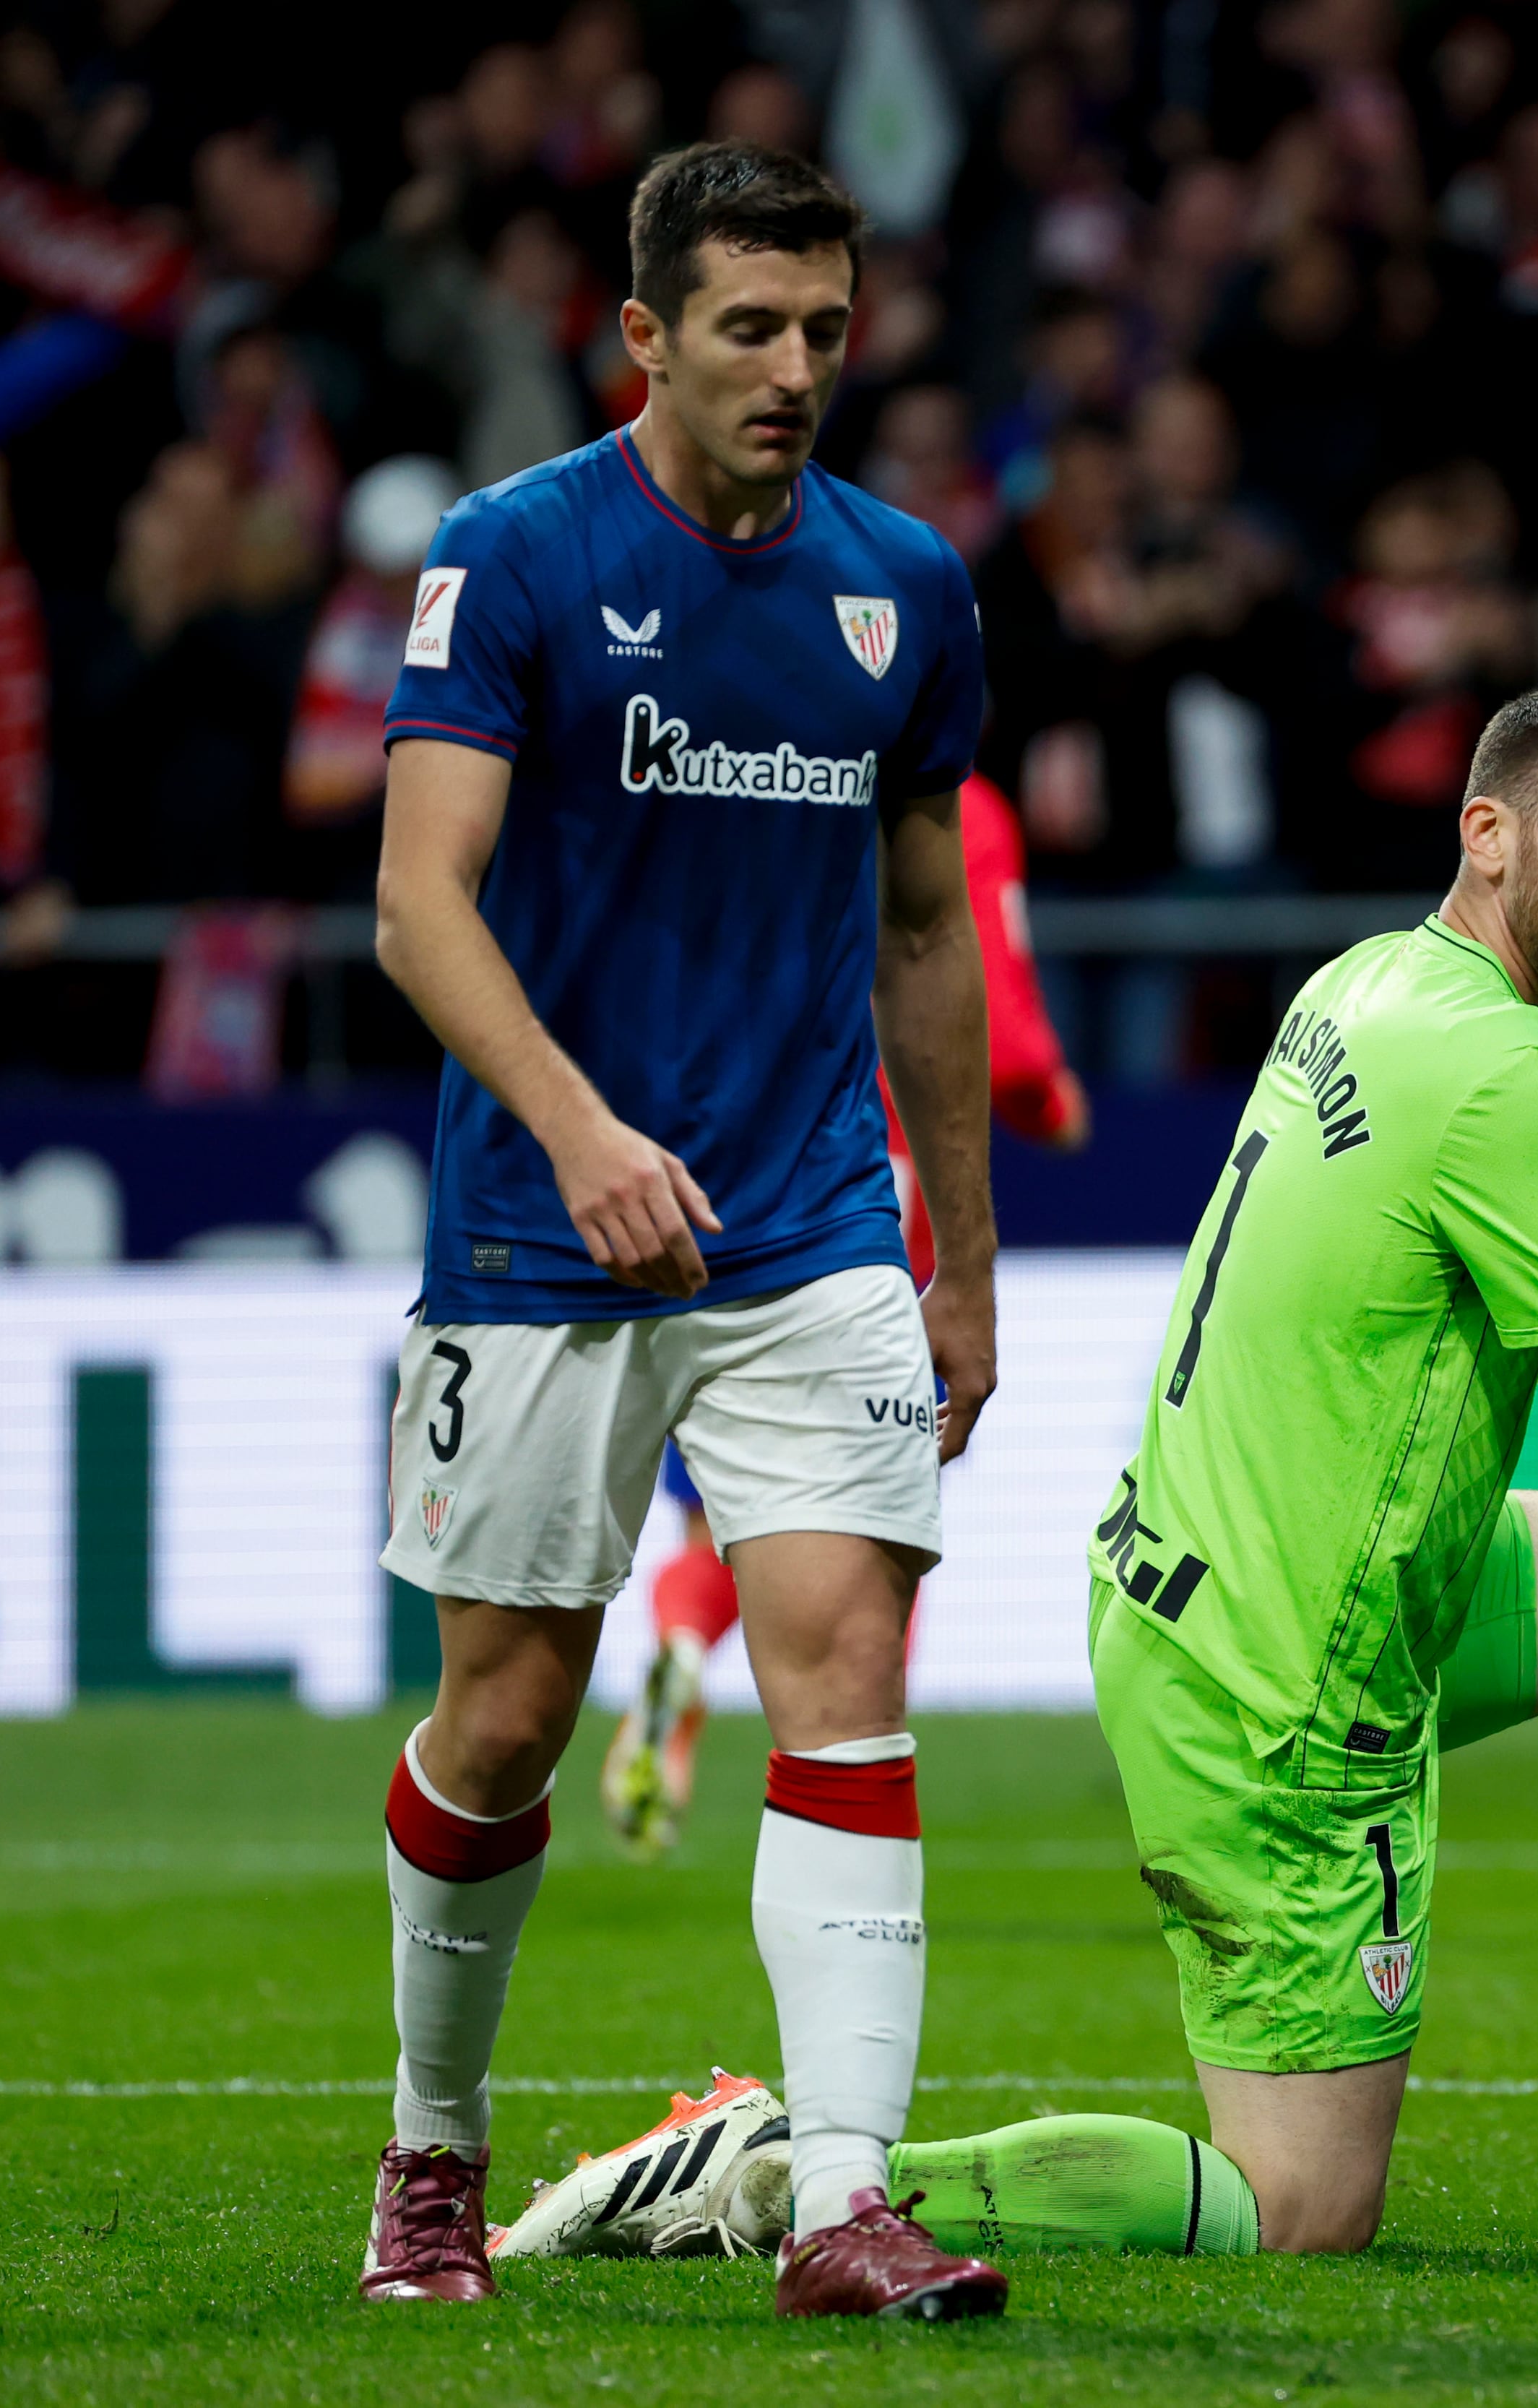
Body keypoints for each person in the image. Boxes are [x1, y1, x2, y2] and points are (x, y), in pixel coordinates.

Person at [506, 685, 1538, 2266]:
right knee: (1300, 2210)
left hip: (1249, 1581)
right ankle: (770, 2172)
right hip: (1288, 1681)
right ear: (1488, 834)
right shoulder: (1513, 1076)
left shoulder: (1368, 981)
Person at [358, 139, 1006, 2323]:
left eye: (828, 326)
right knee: (512, 1719)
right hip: (546, 1237)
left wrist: (961, 1256)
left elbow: (929, 931)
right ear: (643, 335)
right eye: (750, 325)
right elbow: (415, 901)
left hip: (811, 1226)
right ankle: (433, 2150)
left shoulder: (903, 585)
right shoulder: (513, 556)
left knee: (843, 1658)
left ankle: (843, 2194)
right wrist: (579, 1127)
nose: (796, 367)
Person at [600, 767, 1093, 1858]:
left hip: (720, 1162)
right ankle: (860, 1797)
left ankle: (681, 1641)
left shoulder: (747, 750)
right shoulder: (961, 802)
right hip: (871, 1187)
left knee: (715, 1519)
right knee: (878, 1526)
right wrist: (1053, 1101)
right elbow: (1000, 1032)